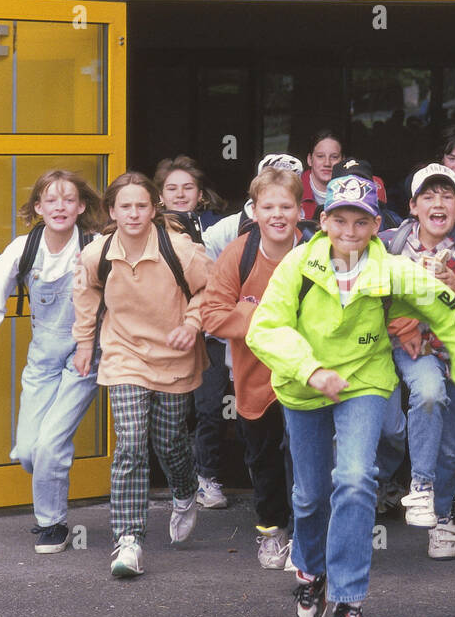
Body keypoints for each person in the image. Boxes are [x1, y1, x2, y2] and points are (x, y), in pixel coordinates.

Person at [246, 173, 455, 617]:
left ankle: (349, 601)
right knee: (311, 495)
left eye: (361, 221)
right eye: (340, 219)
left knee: (356, 479)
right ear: (324, 221)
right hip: (303, 387)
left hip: (364, 382)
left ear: (377, 225)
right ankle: (311, 570)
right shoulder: (298, 263)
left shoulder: (395, 271)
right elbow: (265, 328)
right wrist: (312, 370)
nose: (350, 231)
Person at [72, 172, 213, 578]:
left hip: (174, 354)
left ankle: (185, 493)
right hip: (123, 353)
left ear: (154, 209)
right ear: (111, 212)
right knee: (131, 443)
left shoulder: (179, 249)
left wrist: (192, 324)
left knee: (169, 442)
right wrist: (85, 344)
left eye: (141, 206)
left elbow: (211, 288)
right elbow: (87, 296)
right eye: (125, 206)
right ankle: (129, 539)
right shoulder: (96, 253)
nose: (133, 213)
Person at [0, 170, 105, 554]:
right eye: (51, 199)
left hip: (84, 358)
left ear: (81, 206)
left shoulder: (96, 247)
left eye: (68, 199)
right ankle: (48, 477)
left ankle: (52, 523)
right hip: (42, 360)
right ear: (38, 208)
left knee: (50, 445)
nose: (60, 206)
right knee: (28, 451)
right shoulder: (25, 248)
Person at [380, 163, 455, 559]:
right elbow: (366, 291)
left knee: (453, 447)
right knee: (428, 394)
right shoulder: (390, 244)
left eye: (447, 195)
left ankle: (444, 516)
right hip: (415, 350)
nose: (438, 203)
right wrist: (403, 324)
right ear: (413, 206)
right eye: (428, 196)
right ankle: (419, 488)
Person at [199, 166, 309, 570]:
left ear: (300, 209)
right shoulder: (239, 253)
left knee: (304, 459)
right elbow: (213, 316)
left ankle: (305, 536)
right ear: (254, 211)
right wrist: (253, 317)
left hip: (306, 377)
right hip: (255, 379)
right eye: (268, 206)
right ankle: (272, 531)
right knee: (263, 459)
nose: (277, 214)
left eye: (286, 205)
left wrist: (255, 312)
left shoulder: (317, 250)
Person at [155, 156, 231, 509]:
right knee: (169, 410)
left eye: (188, 188)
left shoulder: (219, 226)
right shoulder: (148, 227)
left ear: (200, 194)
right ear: (160, 195)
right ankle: (177, 477)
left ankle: (208, 476)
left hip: (211, 330)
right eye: (172, 188)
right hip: (168, 330)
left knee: (211, 406)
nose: (180, 194)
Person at [300, 129, 389, 218]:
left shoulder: (369, 185)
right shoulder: (295, 188)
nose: (327, 163)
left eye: (334, 157)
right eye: (320, 156)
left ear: (343, 161)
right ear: (309, 160)